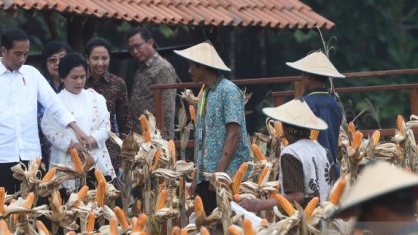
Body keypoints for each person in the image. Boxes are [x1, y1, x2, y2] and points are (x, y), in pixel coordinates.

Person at [0, 28, 96, 194]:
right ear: (3, 50)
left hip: (31, 156)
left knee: (34, 210)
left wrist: (75, 128)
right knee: (1, 211)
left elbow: (54, 104)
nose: (22, 59)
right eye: (17, 54)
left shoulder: (32, 74)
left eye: (26, 54)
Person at [174, 42, 250, 215]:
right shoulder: (205, 94)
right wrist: (196, 177)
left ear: (202, 67)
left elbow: (233, 133)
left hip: (225, 177)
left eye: (191, 66)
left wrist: (218, 174)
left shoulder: (228, 91)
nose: (189, 71)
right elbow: (201, 139)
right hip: (206, 176)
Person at [239, 99, 334, 213]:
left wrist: (258, 204)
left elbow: (297, 196)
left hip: (304, 222)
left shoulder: (291, 153)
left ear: (285, 129)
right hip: (326, 217)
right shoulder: (323, 150)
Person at [41, 53, 115, 192]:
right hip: (67, 161)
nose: (79, 82)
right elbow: (48, 129)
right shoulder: (56, 102)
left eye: (82, 76)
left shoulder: (96, 98)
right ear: (63, 77)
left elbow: (106, 125)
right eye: (74, 77)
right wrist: (72, 146)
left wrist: (92, 139)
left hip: (95, 158)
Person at [286, 51, 344, 178]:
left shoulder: (304, 104)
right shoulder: (334, 103)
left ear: (308, 78)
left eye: (303, 76)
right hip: (331, 168)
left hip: (311, 168)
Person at [85, 37, 133, 174]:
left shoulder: (117, 83)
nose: (100, 63)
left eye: (104, 58)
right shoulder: (79, 83)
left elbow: (125, 120)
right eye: (95, 58)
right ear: (87, 58)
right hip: (84, 147)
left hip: (111, 150)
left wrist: (127, 152)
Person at [128, 27, 177, 140]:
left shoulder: (163, 68)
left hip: (157, 139)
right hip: (140, 137)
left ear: (150, 43)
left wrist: (161, 140)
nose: (135, 51)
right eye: (131, 49)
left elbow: (167, 109)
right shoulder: (141, 69)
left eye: (138, 46)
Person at [38, 41, 70, 168]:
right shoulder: (40, 90)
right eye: (52, 60)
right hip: (47, 153)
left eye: (62, 58)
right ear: (45, 65)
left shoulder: (81, 86)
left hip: (78, 149)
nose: (58, 63)